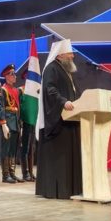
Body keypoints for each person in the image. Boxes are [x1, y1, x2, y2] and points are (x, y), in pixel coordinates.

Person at [36, 39, 82, 199]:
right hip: (58, 122)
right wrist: (63, 102)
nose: (73, 56)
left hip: (70, 119)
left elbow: (75, 92)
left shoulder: (66, 71)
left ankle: (71, 189)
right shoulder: (52, 68)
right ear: (60, 55)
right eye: (70, 53)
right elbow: (50, 89)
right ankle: (58, 190)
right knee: (60, 158)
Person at [0, 63, 23, 183]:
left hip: (15, 122)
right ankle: (5, 175)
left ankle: (12, 172)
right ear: (6, 76)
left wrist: (20, 123)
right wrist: (3, 123)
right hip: (7, 122)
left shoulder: (15, 91)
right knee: (6, 149)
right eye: (12, 74)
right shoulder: (2, 90)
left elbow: (18, 108)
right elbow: (0, 108)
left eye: (14, 74)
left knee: (13, 149)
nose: (15, 76)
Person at [19, 69, 36, 182]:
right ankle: (25, 173)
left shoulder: (35, 92)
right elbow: (19, 107)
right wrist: (20, 123)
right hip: (24, 122)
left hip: (32, 122)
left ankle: (30, 171)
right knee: (24, 148)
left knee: (31, 148)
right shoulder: (21, 90)